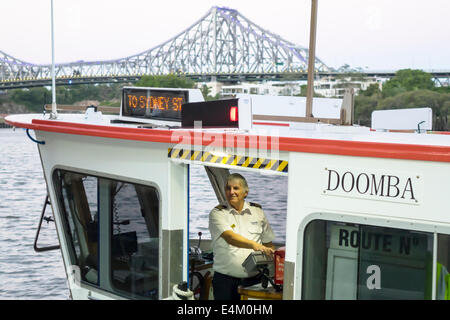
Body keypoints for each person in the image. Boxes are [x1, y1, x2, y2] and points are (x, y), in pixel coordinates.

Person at [209, 173, 275, 300]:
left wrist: (271, 260)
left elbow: (268, 243)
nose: (231, 192)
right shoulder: (218, 213)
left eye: (236, 188)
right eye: (228, 188)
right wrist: (254, 245)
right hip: (225, 281)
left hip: (254, 280)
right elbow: (230, 238)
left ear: (246, 192)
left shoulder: (258, 212)